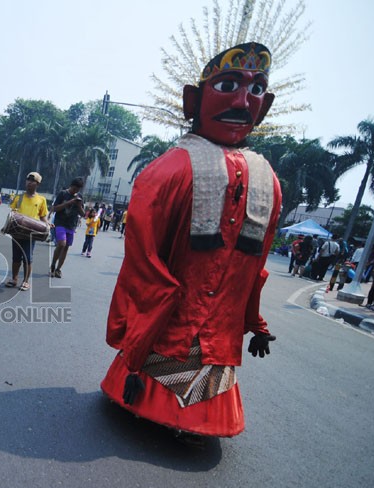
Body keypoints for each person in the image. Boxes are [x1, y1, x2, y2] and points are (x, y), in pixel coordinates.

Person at [101, 42, 282, 443]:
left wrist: (254, 321)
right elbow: (143, 257)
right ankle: (146, 385)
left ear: (264, 105)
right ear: (193, 99)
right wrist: (151, 313)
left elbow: (255, 266)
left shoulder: (266, 179)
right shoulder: (171, 169)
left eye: (254, 90)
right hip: (171, 323)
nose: (241, 100)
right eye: (229, 85)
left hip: (216, 333)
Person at [5, 172, 49, 291]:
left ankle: (25, 281)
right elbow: (13, 213)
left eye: (32, 181)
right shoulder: (19, 197)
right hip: (17, 232)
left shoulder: (41, 200)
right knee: (16, 257)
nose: (29, 182)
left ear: (37, 184)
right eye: (27, 180)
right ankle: (14, 279)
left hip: (31, 233)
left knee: (28, 257)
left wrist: (47, 225)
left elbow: (43, 217)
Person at [49, 178, 86, 278]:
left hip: (71, 225)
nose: (75, 191)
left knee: (66, 248)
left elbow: (83, 214)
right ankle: (53, 265)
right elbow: (55, 208)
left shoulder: (80, 197)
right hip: (60, 223)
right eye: (74, 188)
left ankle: (58, 269)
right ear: (71, 185)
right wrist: (68, 203)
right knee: (61, 244)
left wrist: (79, 206)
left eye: (78, 189)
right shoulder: (63, 194)